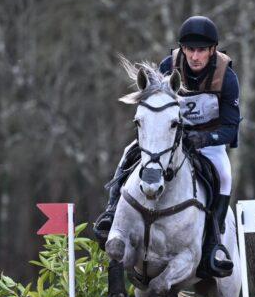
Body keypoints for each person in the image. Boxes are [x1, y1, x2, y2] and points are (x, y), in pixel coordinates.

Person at [94, 15, 242, 279]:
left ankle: (215, 243)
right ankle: (111, 211)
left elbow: (231, 128)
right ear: (182, 49)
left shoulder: (226, 77)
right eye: (189, 50)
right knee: (129, 153)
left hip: (209, 141)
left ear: (212, 50)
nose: (195, 57)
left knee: (225, 175)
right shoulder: (168, 66)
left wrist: (205, 139)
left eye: (201, 50)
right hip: (169, 138)